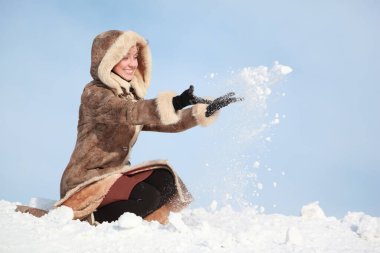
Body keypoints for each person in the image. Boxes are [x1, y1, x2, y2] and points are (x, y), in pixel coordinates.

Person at [54, 30, 242, 225]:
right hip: (86, 180)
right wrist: (175, 102)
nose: (132, 64)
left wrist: (204, 111)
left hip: (115, 174)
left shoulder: (130, 97)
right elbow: (129, 112)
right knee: (148, 197)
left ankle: (153, 225)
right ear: (107, 61)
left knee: (165, 180)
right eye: (124, 58)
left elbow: (164, 121)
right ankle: (88, 219)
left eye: (135, 57)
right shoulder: (95, 94)